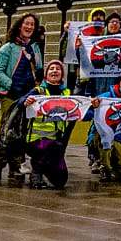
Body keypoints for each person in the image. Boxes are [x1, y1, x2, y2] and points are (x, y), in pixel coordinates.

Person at [0, 12, 46, 184]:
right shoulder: (7, 48)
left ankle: (15, 167)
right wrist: (11, 85)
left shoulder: (34, 48)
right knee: (7, 129)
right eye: (26, 24)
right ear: (19, 26)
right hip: (10, 96)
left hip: (28, 97)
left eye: (32, 25)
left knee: (21, 132)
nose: (29, 27)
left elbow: (40, 70)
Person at [18, 60, 79, 190]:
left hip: (55, 142)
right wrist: (26, 101)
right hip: (35, 140)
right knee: (53, 147)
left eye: (58, 68)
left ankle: (42, 166)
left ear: (62, 74)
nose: (55, 70)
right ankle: (37, 172)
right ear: (46, 74)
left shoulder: (67, 94)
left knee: (60, 181)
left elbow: (82, 111)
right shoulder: (38, 91)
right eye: (51, 68)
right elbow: (20, 102)